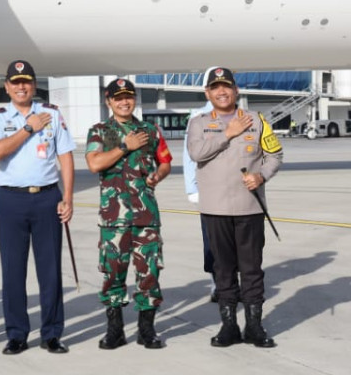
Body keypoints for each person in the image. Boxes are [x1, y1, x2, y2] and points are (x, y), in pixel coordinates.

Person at [186, 66, 283, 349]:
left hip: (249, 208)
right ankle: (229, 325)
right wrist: (227, 133)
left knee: (252, 270)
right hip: (215, 209)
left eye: (226, 86)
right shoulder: (198, 123)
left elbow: (275, 154)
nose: (222, 91)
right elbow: (196, 153)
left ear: (236, 90)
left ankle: (254, 326)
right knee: (224, 270)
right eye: (215, 87)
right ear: (208, 93)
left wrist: (261, 175)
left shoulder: (256, 120)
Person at [0, 59, 75, 355]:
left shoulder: (51, 114)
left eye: (26, 81)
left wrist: (68, 197)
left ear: (34, 85)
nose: (21, 86)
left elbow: (65, 157)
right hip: (12, 199)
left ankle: (51, 333)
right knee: (13, 270)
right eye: (15, 82)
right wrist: (27, 128)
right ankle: (17, 334)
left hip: (47, 197)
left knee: (50, 270)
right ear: (7, 87)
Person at [85, 78, 173, 350]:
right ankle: (115, 330)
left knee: (149, 273)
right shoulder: (99, 131)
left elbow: (166, 162)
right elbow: (94, 163)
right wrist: (125, 146)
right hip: (114, 218)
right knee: (113, 273)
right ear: (108, 101)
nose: (124, 101)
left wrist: (158, 174)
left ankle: (147, 330)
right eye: (118, 97)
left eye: (129, 96)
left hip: (146, 215)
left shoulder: (149, 130)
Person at [182, 99, 216, 302]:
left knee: (236, 243)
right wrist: (191, 188)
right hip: (208, 189)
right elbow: (188, 155)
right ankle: (217, 283)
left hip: (235, 191)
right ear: (207, 90)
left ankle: (232, 281)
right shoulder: (197, 118)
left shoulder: (241, 115)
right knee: (212, 240)